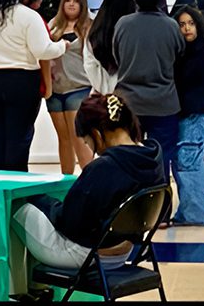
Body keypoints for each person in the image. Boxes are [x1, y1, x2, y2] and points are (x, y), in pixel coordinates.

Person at [12, 94, 165, 275]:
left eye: (86, 141)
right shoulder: (153, 156)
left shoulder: (104, 168)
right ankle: (34, 288)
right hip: (123, 253)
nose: (88, 146)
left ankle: (17, 291)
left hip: (87, 257)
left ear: (97, 134)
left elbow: (70, 224)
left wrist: (42, 201)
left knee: (16, 207)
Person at [0, 0, 68, 171]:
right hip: (20, 82)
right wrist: (62, 46)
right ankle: (16, 191)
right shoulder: (28, 16)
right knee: (18, 137)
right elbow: (43, 50)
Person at [113, 0, 185, 181]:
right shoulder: (171, 26)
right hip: (164, 103)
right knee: (162, 158)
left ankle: (129, 202)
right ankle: (158, 203)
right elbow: (179, 57)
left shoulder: (123, 24)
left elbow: (117, 55)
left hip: (128, 102)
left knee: (127, 155)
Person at [169, 6, 204, 226]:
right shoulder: (180, 50)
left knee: (189, 162)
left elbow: (188, 79)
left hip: (195, 112)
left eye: (190, 23)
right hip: (183, 112)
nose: (186, 28)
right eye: (181, 24)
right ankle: (186, 211)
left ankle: (195, 214)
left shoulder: (201, 48)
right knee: (182, 162)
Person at [46, 0, 94, 173]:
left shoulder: (89, 25)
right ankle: (65, 182)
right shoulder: (53, 25)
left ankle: (89, 180)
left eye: (75, 0)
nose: (71, 4)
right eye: (68, 0)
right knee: (63, 138)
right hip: (55, 89)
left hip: (79, 87)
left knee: (79, 137)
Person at [85, 0, 135, 96]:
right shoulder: (135, 31)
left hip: (103, 97)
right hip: (132, 98)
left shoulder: (95, 30)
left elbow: (89, 65)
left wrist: (104, 89)